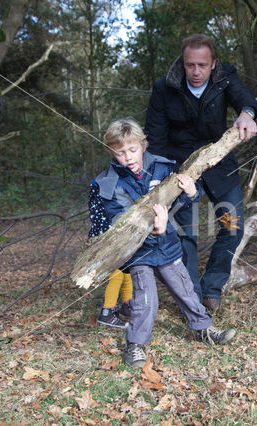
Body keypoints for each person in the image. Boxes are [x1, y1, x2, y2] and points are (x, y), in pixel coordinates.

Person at [94, 118, 236, 368]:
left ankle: (203, 329)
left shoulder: (162, 168)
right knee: (146, 299)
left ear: (143, 145)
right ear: (111, 152)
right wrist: (152, 228)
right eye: (120, 152)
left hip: (168, 245)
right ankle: (136, 345)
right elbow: (120, 221)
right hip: (138, 252)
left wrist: (192, 192)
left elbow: (181, 202)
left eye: (132, 149)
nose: (128, 157)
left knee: (185, 290)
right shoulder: (109, 183)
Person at [145, 34, 257, 312]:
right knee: (186, 234)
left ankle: (212, 289)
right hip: (180, 170)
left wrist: (247, 113)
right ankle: (192, 299)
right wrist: (157, 179)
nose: (196, 72)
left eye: (202, 65)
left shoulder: (225, 77)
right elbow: (155, 137)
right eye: (190, 65)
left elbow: (245, 99)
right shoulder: (164, 87)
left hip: (219, 165)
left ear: (213, 64)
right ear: (182, 64)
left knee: (233, 227)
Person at [88, 180, 133, 328]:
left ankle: (128, 307)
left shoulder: (117, 184)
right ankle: (107, 311)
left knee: (127, 270)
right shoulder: (103, 188)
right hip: (108, 237)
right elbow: (101, 220)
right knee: (116, 274)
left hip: (121, 234)